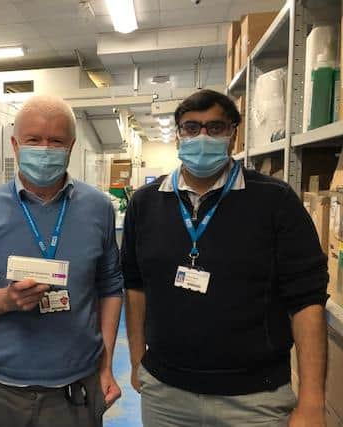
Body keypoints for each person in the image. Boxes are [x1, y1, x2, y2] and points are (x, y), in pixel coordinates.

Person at [121, 89, 329, 427]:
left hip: (255, 400)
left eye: (215, 128)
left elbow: (307, 301)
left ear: (233, 134)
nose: (202, 136)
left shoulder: (275, 201)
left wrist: (312, 402)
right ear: (178, 135)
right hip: (165, 396)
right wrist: (135, 362)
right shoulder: (145, 204)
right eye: (192, 127)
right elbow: (134, 286)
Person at [0, 95, 124, 427]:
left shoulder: (98, 209)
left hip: (75, 388)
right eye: (33, 140)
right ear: (15, 144)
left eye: (56, 141)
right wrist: (5, 300)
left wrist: (106, 366)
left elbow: (110, 287)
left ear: (71, 146)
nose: (45, 149)